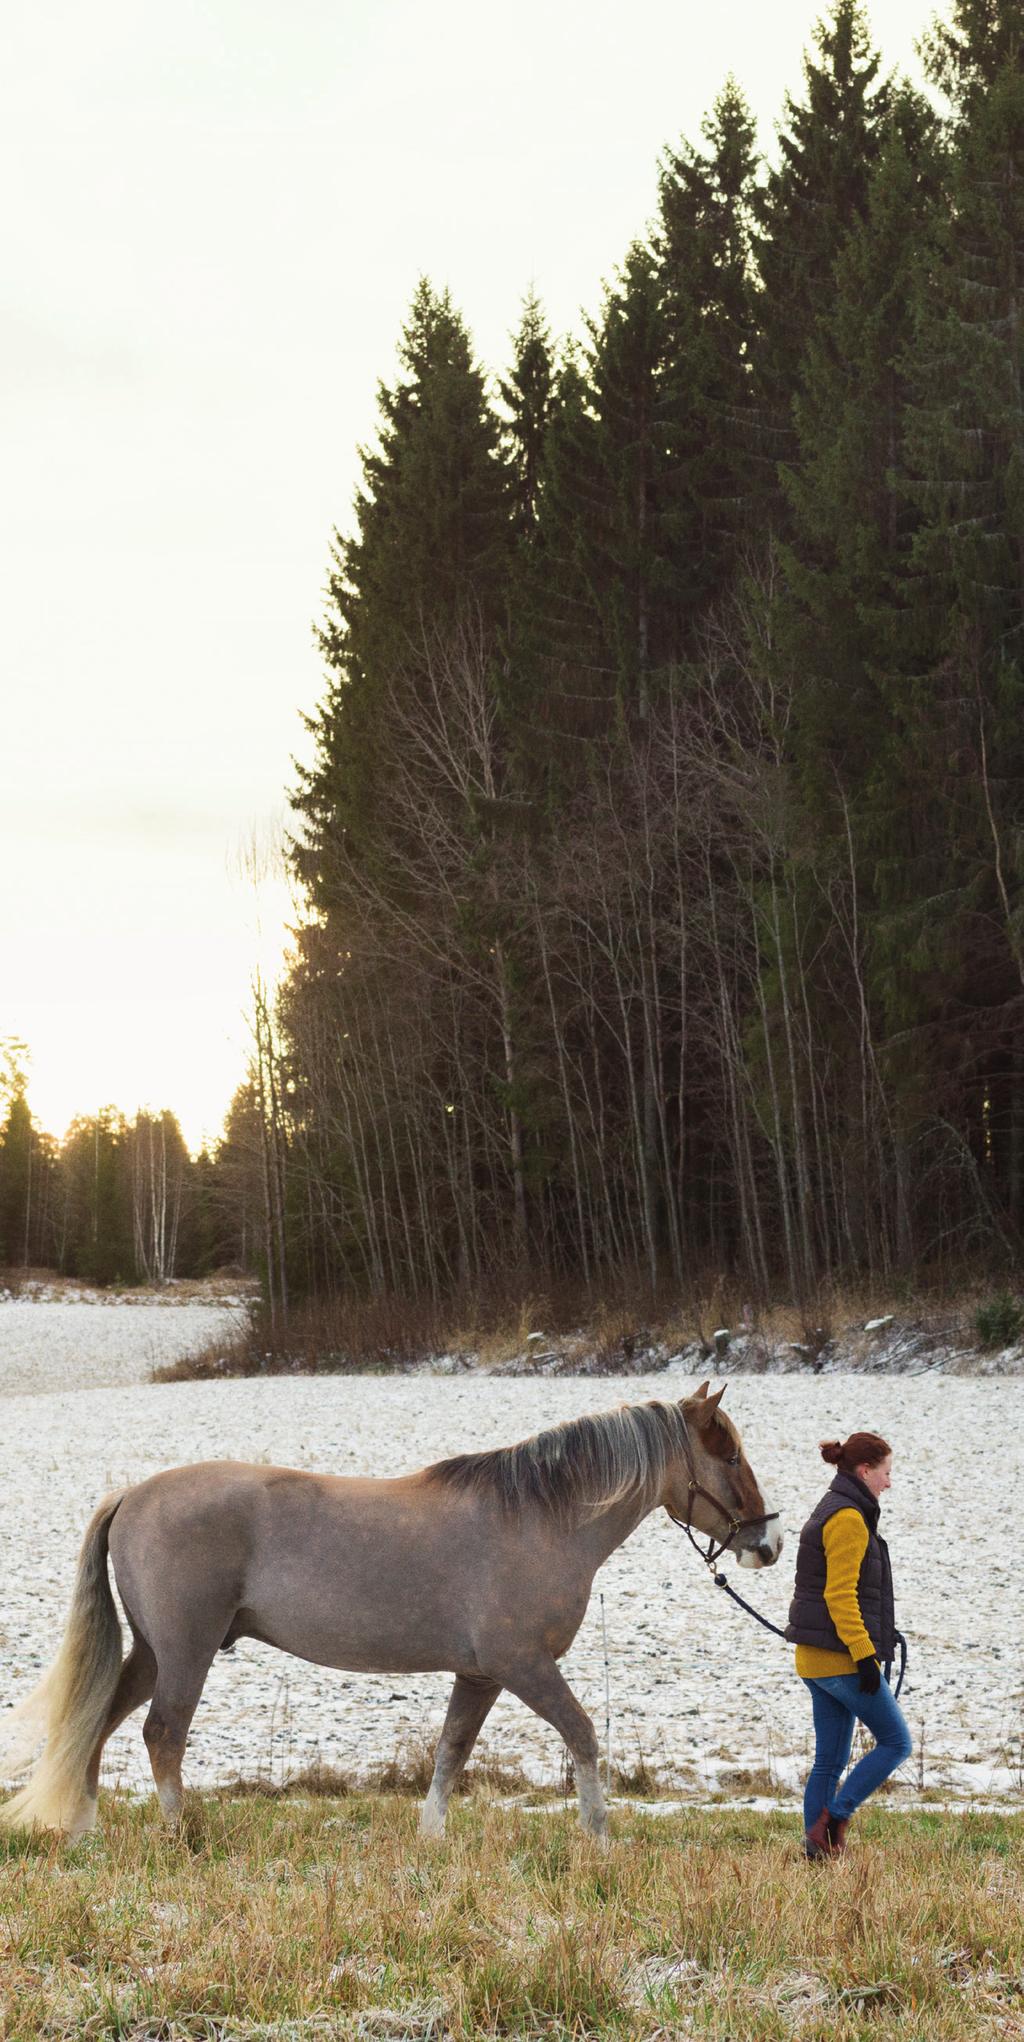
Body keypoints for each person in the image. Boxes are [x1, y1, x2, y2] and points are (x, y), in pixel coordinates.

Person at [786, 1430, 912, 1857]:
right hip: (841, 1660)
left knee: (829, 1762)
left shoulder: (832, 1507)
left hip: (815, 1660)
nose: (889, 1482)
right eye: (886, 1473)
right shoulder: (848, 1519)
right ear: (865, 1471)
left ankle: (816, 1851)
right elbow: (838, 1596)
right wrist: (863, 1655)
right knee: (897, 1742)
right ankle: (836, 1817)